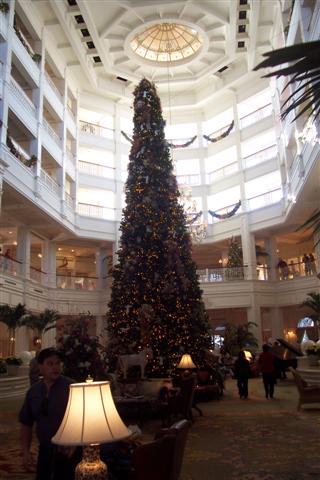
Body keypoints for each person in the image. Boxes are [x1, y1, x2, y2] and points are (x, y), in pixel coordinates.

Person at [19, 347, 81, 480]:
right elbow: (26, 424)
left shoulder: (72, 388)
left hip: (70, 450)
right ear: (40, 367)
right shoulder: (33, 392)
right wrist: (25, 451)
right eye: (50, 363)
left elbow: (83, 419)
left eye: (58, 363)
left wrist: (75, 443)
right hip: (45, 449)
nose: (55, 367)